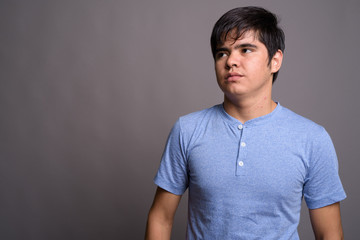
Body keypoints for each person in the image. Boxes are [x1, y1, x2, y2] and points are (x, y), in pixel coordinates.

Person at [145, 6, 346, 240]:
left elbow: (330, 233)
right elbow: (160, 217)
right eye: (222, 53)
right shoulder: (187, 130)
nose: (231, 61)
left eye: (246, 50)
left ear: (275, 61)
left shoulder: (312, 138)